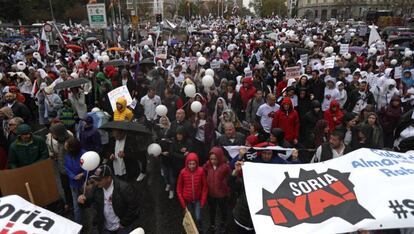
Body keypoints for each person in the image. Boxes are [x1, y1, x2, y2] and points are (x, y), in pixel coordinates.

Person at [78, 165, 140, 234]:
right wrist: (82, 201)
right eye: (96, 179)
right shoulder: (96, 188)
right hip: (105, 228)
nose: (97, 182)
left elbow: (134, 207)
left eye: (99, 179)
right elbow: (88, 202)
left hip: (122, 228)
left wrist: (124, 223)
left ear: (109, 178)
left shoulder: (124, 188)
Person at [176, 153, 208, 230]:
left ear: (197, 163)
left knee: (198, 217)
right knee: (190, 217)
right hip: (187, 200)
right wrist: (183, 204)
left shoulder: (201, 171)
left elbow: (205, 187)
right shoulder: (182, 172)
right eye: (190, 164)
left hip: (197, 199)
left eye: (194, 164)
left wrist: (203, 201)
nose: (192, 166)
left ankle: (200, 226)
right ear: (187, 163)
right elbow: (179, 189)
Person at [203, 147, 231, 233]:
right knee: (212, 210)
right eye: (211, 159)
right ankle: (212, 225)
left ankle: (223, 224)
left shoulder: (225, 167)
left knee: (223, 209)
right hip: (211, 193)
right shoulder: (208, 164)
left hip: (222, 194)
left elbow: (230, 178)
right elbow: (202, 170)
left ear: (219, 157)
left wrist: (227, 188)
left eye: (215, 159)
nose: (213, 161)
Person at [64, 137, 86, 224]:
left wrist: (82, 174)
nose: (65, 147)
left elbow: (90, 168)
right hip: (73, 184)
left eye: (67, 146)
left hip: (83, 184)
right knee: (76, 206)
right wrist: (73, 176)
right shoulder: (68, 154)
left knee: (85, 203)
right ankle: (78, 224)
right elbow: (66, 167)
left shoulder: (84, 155)